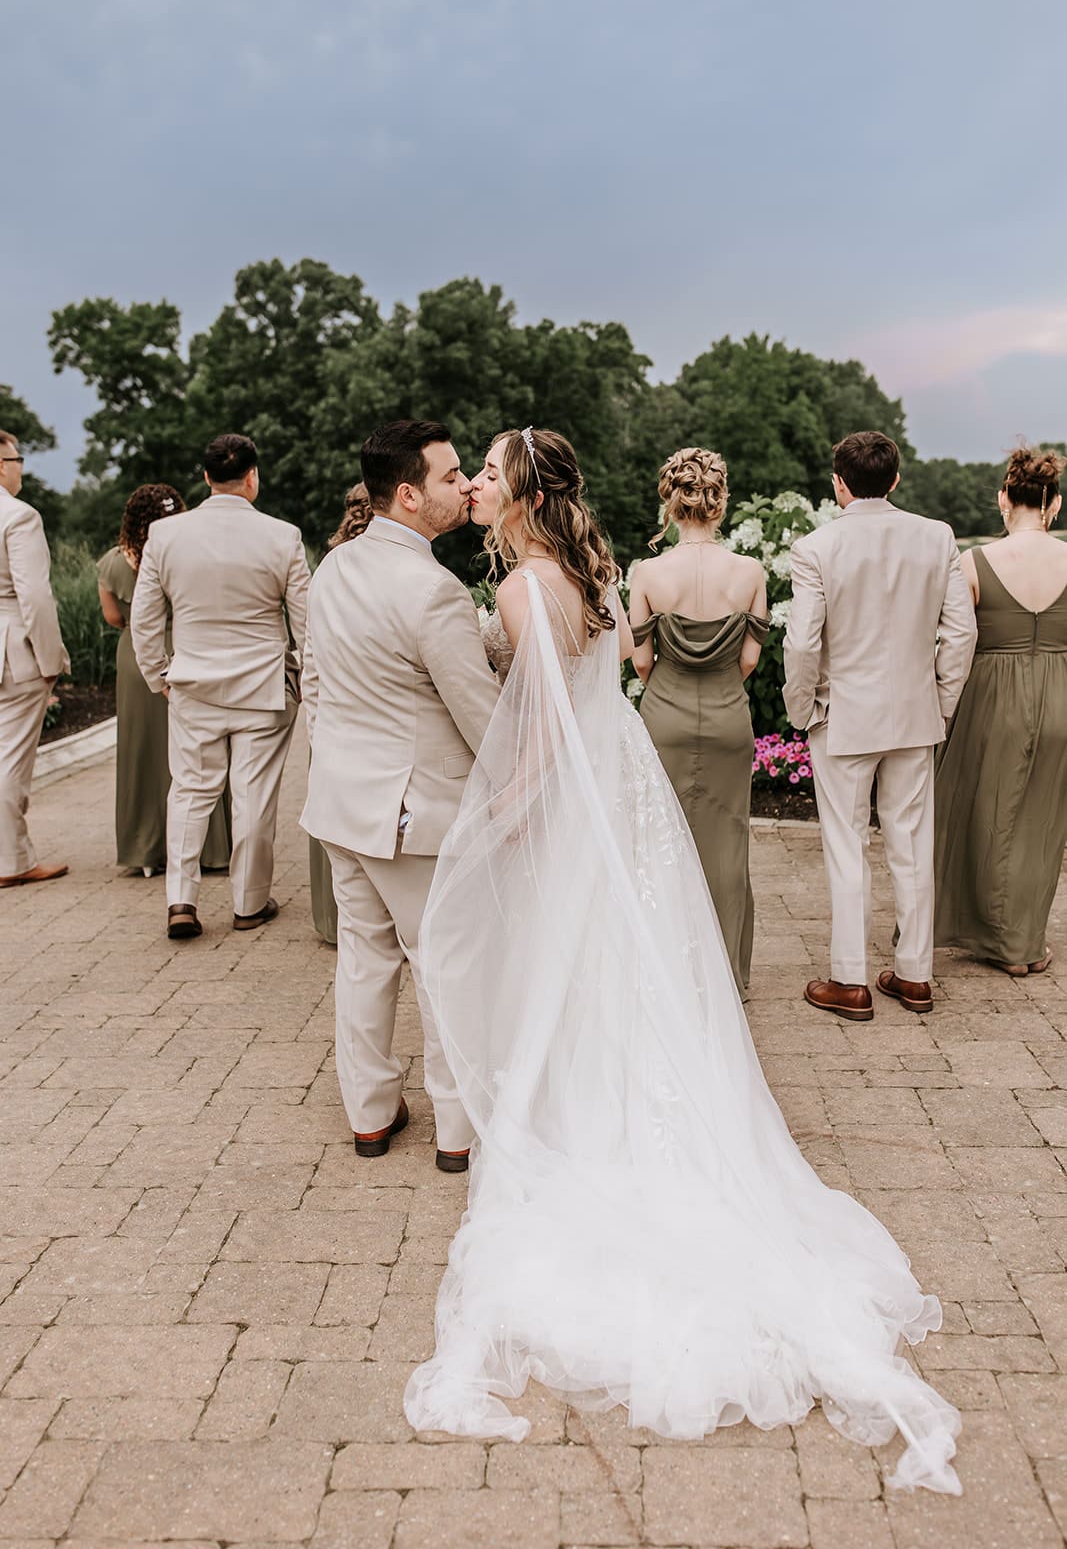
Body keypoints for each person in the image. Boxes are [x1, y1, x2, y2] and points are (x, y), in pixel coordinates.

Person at [403, 426, 962, 1496]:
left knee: (569, 965)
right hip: (624, 795)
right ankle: (608, 1104)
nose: (472, 483)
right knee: (620, 969)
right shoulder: (582, 571)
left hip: (574, 803)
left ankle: (577, 1126)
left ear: (518, 490)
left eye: (484, 469)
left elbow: (535, 742)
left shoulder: (526, 589)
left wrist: (495, 822)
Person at [300, 421, 499, 1167]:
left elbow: (324, 684)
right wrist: (525, 789)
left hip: (341, 804)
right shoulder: (431, 590)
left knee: (363, 959)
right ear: (410, 495)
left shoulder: (335, 568)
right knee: (443, 964)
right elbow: (477, 714)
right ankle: (456, 1130)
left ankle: (371, 1113)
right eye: (451, 478)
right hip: (413, 815)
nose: (464, 488)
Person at [783, 431, 976, 1020]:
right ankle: (915, 976)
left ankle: (851, 981)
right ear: (895, 480)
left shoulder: (816, 548)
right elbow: (961, 634)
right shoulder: (937, 536)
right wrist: (939, 704)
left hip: (841, 717)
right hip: (915, 715)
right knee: (913, 846)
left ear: (838, 482)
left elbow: (801, 643)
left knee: (847, 846)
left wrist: (802, 710)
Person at [131, 433, 309, 940]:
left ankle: (181, 900)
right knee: (253, 795)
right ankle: (249, 904)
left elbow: (145, 619)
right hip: (263, 688)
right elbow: (307, 619)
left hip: (192, 685)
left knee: (189, 790)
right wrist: (306, 679)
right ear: (253, 476)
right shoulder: (282, 536)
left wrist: (158, 674)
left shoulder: (165, 535)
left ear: (205, 477)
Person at [628, 448, 767, 989]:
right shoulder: (750, 571)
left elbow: (641, 661)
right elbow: (749, 659)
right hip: (730, 717)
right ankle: (725, 974)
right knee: (728, 840)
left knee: (661, 840)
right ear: (721, 500)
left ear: (670, 501)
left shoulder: (648, 572)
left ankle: (666, 974)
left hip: (665, 714)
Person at [934, 446, 1067, 975]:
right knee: (1042, 820)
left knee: (983, 811)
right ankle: (1025, 940)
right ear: (1053, 504)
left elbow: (955, 645)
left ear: (1003, 500)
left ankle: (999, 940)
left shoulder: (973, 562)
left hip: (991, 693)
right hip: (1059, 692)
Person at [98, 485, 230, 877]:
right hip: (187, 650)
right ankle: (209, 849)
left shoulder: (111, 563)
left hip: (136, 658)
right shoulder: (189, 555)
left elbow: (113, 618)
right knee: (199, 750)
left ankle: (145, 849)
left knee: (142, 751)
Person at [0, 429, 70, 887]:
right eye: (17, 458)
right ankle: (12, 862)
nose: (21, 466)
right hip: (13, 650)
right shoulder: (18, 516)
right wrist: (51, 660)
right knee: (10, 762)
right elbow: (35, 596)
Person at [308, 483, 374, 945]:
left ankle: (334, 924)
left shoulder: (327, 568)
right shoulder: (412, 570)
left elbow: (312, 663)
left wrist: (316, 731)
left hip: (332, 723)